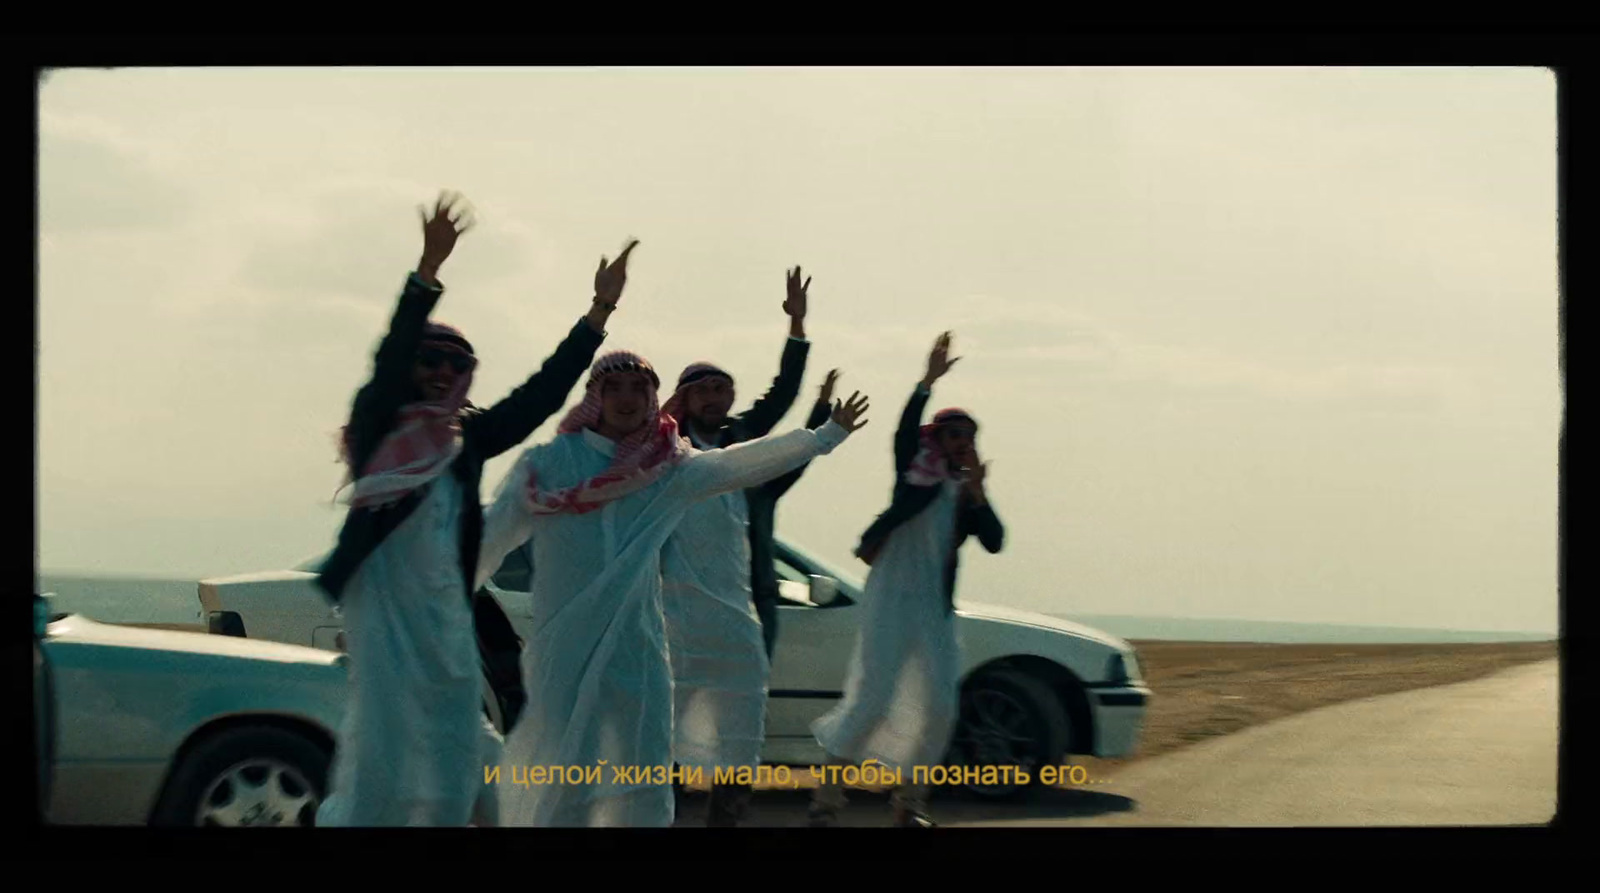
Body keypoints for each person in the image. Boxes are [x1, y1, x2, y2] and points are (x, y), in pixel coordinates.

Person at [310, 193, 628, 827]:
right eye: (431, 359)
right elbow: (390, 354)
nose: (440, 371)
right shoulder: (381, 427)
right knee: (384, 750)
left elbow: (539, 395)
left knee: (464, 739)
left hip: (444, 615)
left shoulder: (466, 443)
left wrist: (598, 313)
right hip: (383, 612)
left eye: (456, 364)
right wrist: (427, 270)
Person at [476, 348, 871, 827]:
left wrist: (824, 437)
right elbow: (492, 536)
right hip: (566, 650)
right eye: (614, 388)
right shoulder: (548, 465)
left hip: (637, 656)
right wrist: (451, 597)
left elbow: (739, 464)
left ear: (653, 398)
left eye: (639, 389)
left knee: (641, 779)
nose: (626, 399)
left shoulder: (665, 470)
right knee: (563, 771)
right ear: (594, 397)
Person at [807, 332, 1004, 828]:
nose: (963, 444)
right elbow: (901, 434)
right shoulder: (913, 474)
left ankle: (910, 802)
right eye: (954, 435)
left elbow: (996, 540)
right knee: (873, 697)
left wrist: (979, 494)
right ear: (937, 439)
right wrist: (926, 383)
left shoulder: (964, 492)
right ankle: (827, 803)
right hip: (890, 598)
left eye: (969, 436)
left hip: (934, 609)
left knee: (940, 704)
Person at [657, 265, 817, 826]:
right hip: (673, 614)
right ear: (682, 397)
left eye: (722, 389)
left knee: (739, 727)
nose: (714, 398)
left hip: (734, 612)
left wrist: (796, 327)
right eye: (701, 389)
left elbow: (783, 396)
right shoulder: (660, 448)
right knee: (669, 729)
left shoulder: (739, 441)